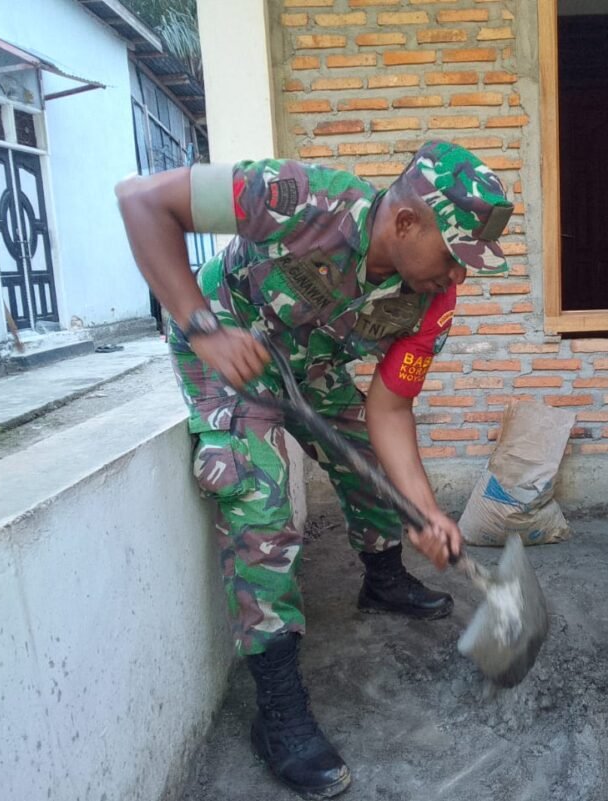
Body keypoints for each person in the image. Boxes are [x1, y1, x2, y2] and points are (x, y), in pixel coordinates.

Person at [115, 141, 514, 797]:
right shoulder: (303, 199)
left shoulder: (431, 301)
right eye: (454, 256)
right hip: (228, 348)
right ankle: (278, 712)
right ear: (406, 222)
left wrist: (425, 510)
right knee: (260, 499)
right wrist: (205, 328)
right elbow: (141, 202)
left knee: (374, 468)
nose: (457, 277)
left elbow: (390, 409)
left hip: (308, 367)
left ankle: (383, 579)